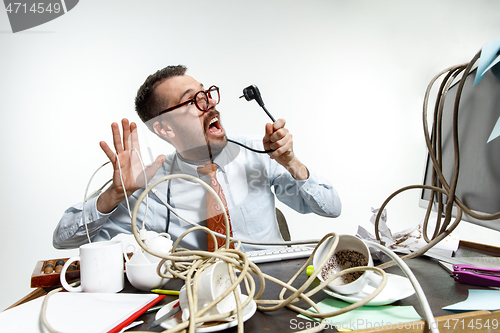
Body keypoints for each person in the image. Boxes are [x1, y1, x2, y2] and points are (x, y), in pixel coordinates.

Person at [53, 65, 341, 252]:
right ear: (165, 128)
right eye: (194, 100)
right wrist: (114, 195)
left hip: (276, 286)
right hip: (201, 298)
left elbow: (331, 209)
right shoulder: (150, 187)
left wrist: (292, 163)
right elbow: (64, 239)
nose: (210, 104)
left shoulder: (259, 152)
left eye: (207, 94)